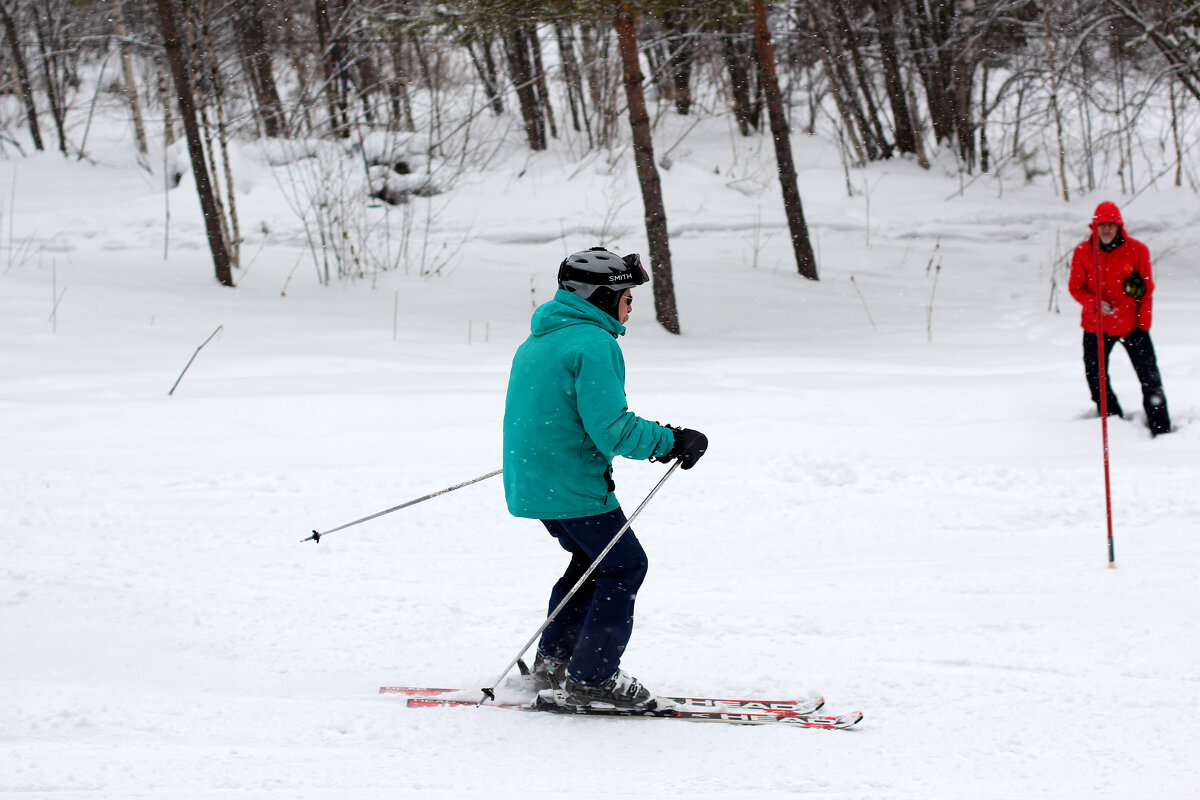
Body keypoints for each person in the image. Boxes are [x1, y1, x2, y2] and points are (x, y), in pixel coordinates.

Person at [502, 246, 708, 711]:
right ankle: (592, 678)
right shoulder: (595, 344)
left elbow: (546, 415)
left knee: (591, 564)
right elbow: (612, 428)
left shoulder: (540, 340)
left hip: (535, 480)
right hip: (573, 486)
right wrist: (673, 441)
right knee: (624, 566)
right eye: (627, 296)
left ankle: (555, 663)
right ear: (600, 297)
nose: (632, 306)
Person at [1068, 201, 1171, 436]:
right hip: (1096, 326)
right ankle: (1112, 418)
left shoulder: (1138, 251)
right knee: (1095, 378)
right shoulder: (1083, 252)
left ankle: (1161, 427)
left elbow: (1147, 290)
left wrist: (1143, 325)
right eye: (1102, 225)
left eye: (1111, 225)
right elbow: (1075, 287)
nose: (1106, 230)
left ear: (1119, 226)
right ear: (1094, 227)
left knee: (1150, 379)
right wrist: (1095, 303)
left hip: (1131, 326)